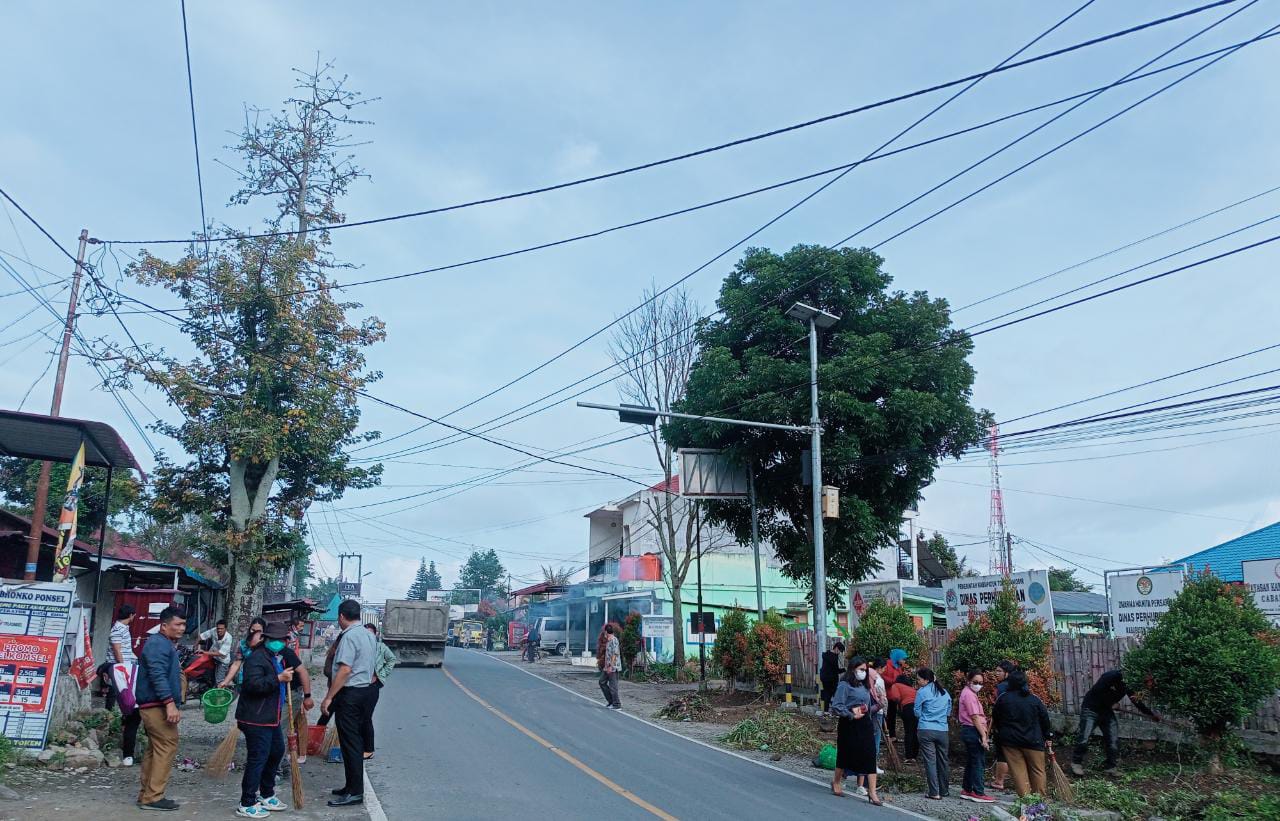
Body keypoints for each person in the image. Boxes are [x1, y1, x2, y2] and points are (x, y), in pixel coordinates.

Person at [233, 622, 295, 818]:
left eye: (283, 640)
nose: (280, 643)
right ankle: (246, 802)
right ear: (267, 640)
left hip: (270, 716)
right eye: (276, 640)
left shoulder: (275, 657)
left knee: (276, 751)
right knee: (257, 758)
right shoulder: (256, 659)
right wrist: (278, 679)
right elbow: (252, 685)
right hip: (255, 718)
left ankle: (266, 793)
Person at [322, 599, 378, 808]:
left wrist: (329, 697)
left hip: (351, 694)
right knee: (351, 742)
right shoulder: (368, 634)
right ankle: (350, 785)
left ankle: (355, 792)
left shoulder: (349, 637)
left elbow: (345, 670)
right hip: (366, 692)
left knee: (351, 744)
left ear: (341, 617)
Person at [135, 606, 185, 812]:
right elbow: (158, 675)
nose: (182, 628)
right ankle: (153, 797)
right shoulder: (158, 644)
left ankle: (146, 794)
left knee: (155, 749)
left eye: (183, 624)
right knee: (167, 746)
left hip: (154, 705)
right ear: (164, 626)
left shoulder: (161, 643)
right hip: (156, 706)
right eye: (177, 624)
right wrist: (170, 703)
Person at [1071, 669, 1159, 776]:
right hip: (1091, 709)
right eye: (1148, 679)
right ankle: (1076, 763)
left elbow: (1136, 701)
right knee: (1084, 738)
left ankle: (1110, 767)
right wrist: (1111, 703)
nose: (1147, 682)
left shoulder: (1129, 683)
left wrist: (1150, 715)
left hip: (1106, 712)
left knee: (1113, 740)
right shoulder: (1112, 675)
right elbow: (1098, 690)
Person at [830, 656, 882, 805]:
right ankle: (836, 782)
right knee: (845, 754)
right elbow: (837, 706)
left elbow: (867, 707)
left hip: (865, 723)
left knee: (870, 754)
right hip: (849, 724)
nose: (863, 672)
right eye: (861, 670)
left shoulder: (865, 686)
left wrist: (878, 705)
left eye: (865, 670)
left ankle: (872, 792)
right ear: (853, 669)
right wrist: (851, 714)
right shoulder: (845, 685)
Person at [992, 669, 1052, 798]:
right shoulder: (1034, 699)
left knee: (1018, 772)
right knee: (1038, 771)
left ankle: (1026, 801)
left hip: (1010, 741)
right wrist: (1048, 736)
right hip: (1033, 741)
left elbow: (995, 717)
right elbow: (1045, 719)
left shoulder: (1003, 699)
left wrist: (1000, 732)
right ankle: (1039, 801)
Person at [103, 604, 142, 768]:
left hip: (128, 667)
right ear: (131, 615)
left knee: (127, 699)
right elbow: (117, 650)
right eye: (134, 616)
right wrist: (122, 668)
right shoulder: (117, 630)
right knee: (119, 694)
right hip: (121, 669)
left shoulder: (123, 629)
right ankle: (111, 713)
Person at [958, 668, 996, 804]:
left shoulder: (970, 693)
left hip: (971, 729)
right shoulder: (969, 695)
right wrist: (983, 735)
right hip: (973, 729)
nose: (978, 685)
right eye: (975, 682)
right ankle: (978, 791)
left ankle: (967, 789)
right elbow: (974, 717)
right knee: (978, 761)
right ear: (969, 681)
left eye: (981, 682)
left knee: (972, 761)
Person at [914, 667, 952, 801]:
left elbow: (917, 712)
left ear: (926, 680)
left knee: (930, 761)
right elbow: (948, 712)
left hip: (926, 729)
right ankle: (944, 790)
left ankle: (934, 791)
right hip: (942, 730)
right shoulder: (945, 692)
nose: (917, 682)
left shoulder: (922, 692)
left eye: (919, 679)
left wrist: (925, 717)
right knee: (943, 760)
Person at [362, 623, 398, 759]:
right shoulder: (360, 647)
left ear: (376, 634)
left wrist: (381, 674)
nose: (368, 636)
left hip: (373, 686)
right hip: (358, 685)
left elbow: (391, 660)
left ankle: (369, 749)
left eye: (371, 633)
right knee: (357, 717)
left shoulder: (381, 648)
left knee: (366, 717)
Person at [989, 659, 1018, 792]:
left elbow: (997, 708)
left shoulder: (1001, 688)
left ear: (1007, 673)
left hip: (1004, 725)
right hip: (1018, 725)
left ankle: (999, 781)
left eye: (999, 671)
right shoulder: (1017, 686)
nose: (996, 673)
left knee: (1002, 754)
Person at [219, 617, 267, 690]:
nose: (255, 633)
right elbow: (236, 664)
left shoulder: (267, 645)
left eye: (259, 631)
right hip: (244, 679)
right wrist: (226, 681)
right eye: (253, 630)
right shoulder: (243, 644)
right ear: (249, 629)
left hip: (261, 681)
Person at [888, 670, 919, 761]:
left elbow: (896, 697)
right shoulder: (911, 688)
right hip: (917, 708)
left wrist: (898, 707)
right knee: (915, 731)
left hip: (908, 707)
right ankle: (915, 754)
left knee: (908, 732)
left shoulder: (895, 685)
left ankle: (909, 756)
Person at [866, 658, 889, 775]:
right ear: (879, 668)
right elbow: (883, 698)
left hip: (869, 710)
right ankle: (873, 765)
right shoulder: (878, 680)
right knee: (876, 740)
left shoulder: (868, 676)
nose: (884, 670)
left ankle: (868, 764)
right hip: (877, 712)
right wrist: (884, 710)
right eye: (884, 668)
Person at [198, 619, 234, 687]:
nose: (219, 630)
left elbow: (221, 653)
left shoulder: (228, 638)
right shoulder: (214, 630)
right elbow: (201, 636)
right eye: (218, 628)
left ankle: (220, 695)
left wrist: (204, 652)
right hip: (213, 656)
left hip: (223, 660)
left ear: (226, 629)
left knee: (219, 681)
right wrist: (196, 646)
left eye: (221, 629)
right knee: (206, 674)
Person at [597, 624, 622, 709]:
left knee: (613, 686)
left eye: (605, 632)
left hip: (613, 667)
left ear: (606, 632)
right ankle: (611, 701)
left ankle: (617, 704)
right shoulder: (609, 640)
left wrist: (611, 666)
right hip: (607, 666)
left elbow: (615, 654)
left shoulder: (614, 640)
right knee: (602, 682)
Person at [884, 648, 906, 738]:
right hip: (887, 694)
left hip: (894, 695)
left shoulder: (898, 666)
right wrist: (895, 681)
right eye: (902, 658)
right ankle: (888, 735)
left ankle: (892, 735)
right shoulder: (887, 665)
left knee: (892, 716)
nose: (904, 661)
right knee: (888, 716)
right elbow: (882, 677)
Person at [819, 641, 845, 714]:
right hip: (831, 679)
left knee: (827, 694)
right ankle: (837, 711)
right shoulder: (833, 657)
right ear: (836, 648)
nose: (839, 653)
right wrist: (844, 669)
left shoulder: (826, 654)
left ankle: (826, 711)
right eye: (839, 651)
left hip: (824, 677)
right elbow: (836, 670)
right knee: (836, 695)